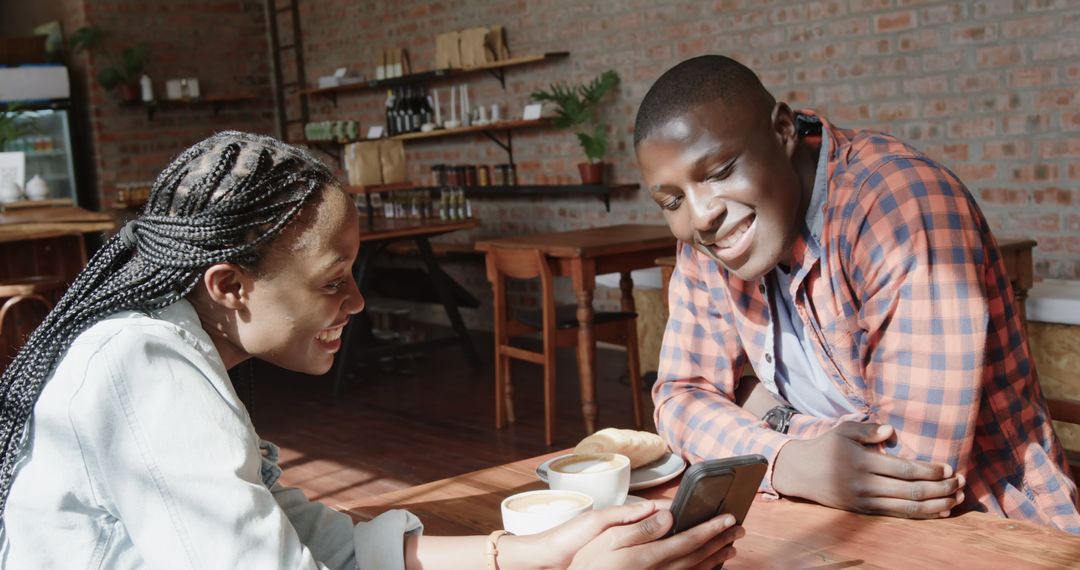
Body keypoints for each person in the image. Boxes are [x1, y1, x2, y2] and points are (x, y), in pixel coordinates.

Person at [0, 132, 744, 568]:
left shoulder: (169, 345)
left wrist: (525, 553)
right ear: (229, 284)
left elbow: (309, 538)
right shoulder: (144, 366)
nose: (357, 303)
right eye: (332, 282)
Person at [634, 55, 1080, 533]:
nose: (701, 216)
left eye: (720, 170)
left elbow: (915, 469)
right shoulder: (711, 241)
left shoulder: (900, 208)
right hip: (824, 523)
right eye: (673, 201)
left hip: (997, 528)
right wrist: (788, 460)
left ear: (784, 130)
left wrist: (764, 413)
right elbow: (679, 397)